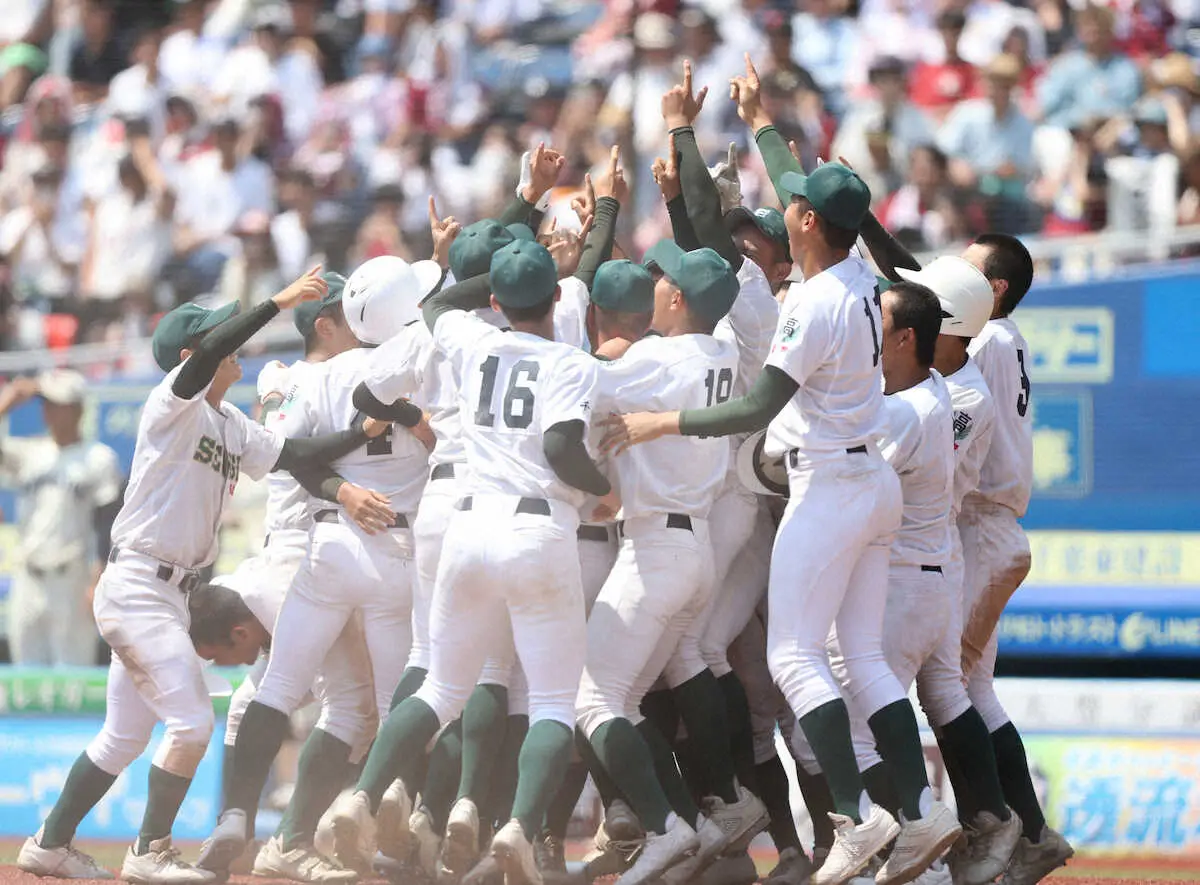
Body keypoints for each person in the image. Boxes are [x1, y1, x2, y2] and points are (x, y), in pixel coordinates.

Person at [600, 155, 960, 885]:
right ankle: (922, 808)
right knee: (859, 659)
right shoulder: (861, 276)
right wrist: (761, 123)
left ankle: (860, 817)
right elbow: (855, 229)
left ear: (805, 221)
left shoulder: (813, 299)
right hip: (872, 479)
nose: (789, 205)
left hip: (827, 481)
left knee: (793, 657)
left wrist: (661, 421)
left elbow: (756, 408)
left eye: (797, 202)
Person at [15, 269, 388, 885]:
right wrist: (277, 302)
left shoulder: (227, 423)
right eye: (219, 340)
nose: (231, 348)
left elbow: (295, 458)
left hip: (169, 592)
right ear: (192, 355)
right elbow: (210, 350)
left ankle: (49, 844)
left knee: (121, 737)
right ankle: (150, 852)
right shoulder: (172, 403)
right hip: (138, 584)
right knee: (191, 723)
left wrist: (361, 436)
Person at [329, 238, 616, 885]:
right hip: (537, 531)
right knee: (548, 701)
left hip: (466, 525)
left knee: (436, 684)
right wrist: (602, 489)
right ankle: (516, 827)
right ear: (555, 298)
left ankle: (361, 796)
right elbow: (565, 446)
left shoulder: (471, 339)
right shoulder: (571, 361)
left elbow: (443, 302)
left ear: (495, 300)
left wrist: (482, 278)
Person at [203, 257, 442, 880]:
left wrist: (342, 491)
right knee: (395, 709)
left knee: (278, 689)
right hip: (397, 548)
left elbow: (293, 460)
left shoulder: (317, 376)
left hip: (330, 543)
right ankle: (388, 819)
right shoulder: (425, 355)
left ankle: (237, 814)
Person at [576, 239, 749, 885]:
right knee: (623, 698)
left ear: (676, 298)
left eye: (665, 278)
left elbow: (579, 384)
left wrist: (608, 347)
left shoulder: (657, 356)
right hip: (694, 544)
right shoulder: (721, 348)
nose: (655, 282)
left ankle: (664, 828)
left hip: (656, 548)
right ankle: (695, 827)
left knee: (588, 694)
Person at [0, 370, 122, 666]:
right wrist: (10, 399)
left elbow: (108, 526)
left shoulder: (99, 458)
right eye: (46, 403)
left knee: (72, 676)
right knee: (25, 679)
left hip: (73, 578)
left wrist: (99, 580)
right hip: (28, 575)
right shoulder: (29, 452)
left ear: (78, 409)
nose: (49, 411)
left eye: (58, 404)